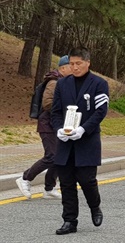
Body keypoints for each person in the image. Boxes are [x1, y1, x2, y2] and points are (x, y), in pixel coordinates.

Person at [51, 48, 109, 235]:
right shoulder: (62, 84)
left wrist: (83, 129)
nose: (74, 67)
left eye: (78, 64)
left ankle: (94, 206)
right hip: (66, 140)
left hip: (87, 140)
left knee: (87, 180)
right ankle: (69, 220)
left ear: (88, 62)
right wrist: (59, 129)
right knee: (66, 182)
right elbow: (55, 111)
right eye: (72, 64)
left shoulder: (99, 83)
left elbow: (100, 111)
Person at [16, 56, 72, 200]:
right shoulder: (54, 83)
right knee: (52, 156)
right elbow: (47, 104)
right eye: (71, 66)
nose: (74, 69)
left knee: (60, 156)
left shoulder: (66, 82)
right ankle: (25, 178)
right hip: (47, 124)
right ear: (63, 68)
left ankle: (49, 188)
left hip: (58, 124)